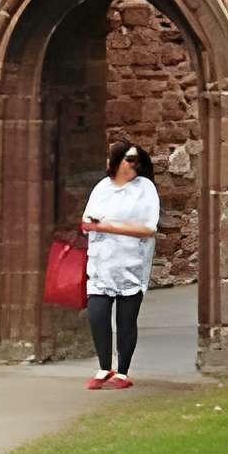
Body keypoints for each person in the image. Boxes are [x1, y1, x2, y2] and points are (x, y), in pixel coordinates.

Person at [81, 142, 160, 388]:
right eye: (126, 159)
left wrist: (106, 226)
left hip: (130, 264)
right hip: (101, 263)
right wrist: (91, 224)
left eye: (135, 160)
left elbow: (148, 228)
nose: (130, 164)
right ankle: (104, 367)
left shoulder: (145, 189)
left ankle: (123, 371)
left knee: (126, 320)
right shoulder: (102, 188)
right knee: (97, 315)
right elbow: (87, 221)